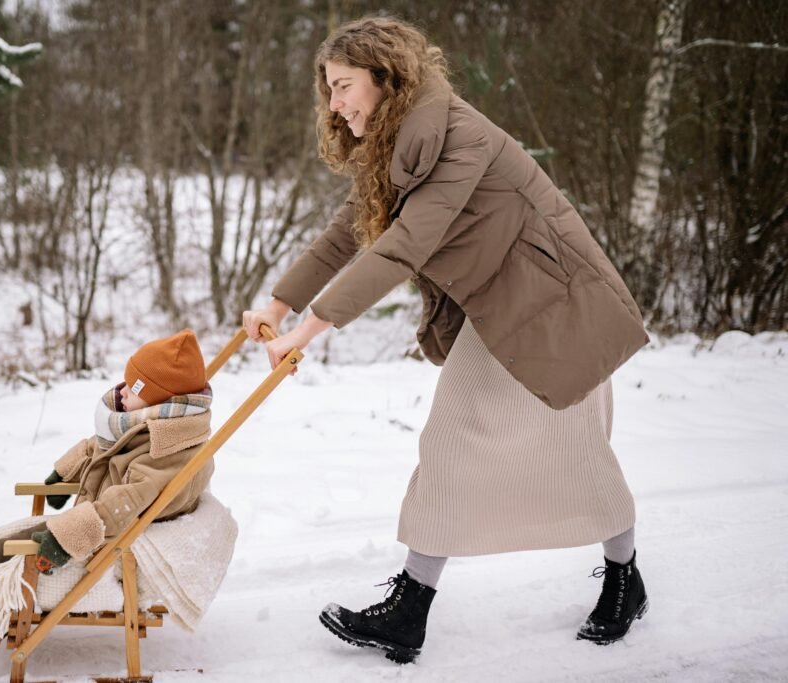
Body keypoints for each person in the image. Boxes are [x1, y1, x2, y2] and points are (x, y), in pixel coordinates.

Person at [242, 16, 650, 664]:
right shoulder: (401, 142)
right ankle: (414, 606)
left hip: (560, 306)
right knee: (514, 445)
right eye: (329, 89)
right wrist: (280, 301)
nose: (335, 102)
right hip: (506, 306)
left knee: (564, 446)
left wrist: (311, 327)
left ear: (384, 76)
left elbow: (403, 247)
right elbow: (347, 231)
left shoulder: (460, 138)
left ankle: (619, 577)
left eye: (344, 85)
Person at [0, 329, 214, 639]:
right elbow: (101, 446)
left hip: (115, 541)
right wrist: (68, 471)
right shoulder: (150, 426)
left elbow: (127, 502)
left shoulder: (168, 451)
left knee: (33, 546)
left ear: (157, 398)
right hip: (101, 523)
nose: (120, 392)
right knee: (23, 536)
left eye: (132, 389)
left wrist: (69, 538)